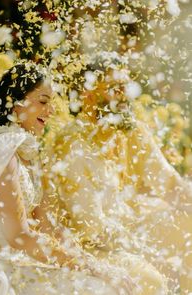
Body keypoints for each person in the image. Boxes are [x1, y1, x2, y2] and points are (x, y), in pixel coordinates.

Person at [0, 63, 145, 295]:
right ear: (15, 102)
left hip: (25, 260)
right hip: (0, 267)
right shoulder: (2, 147)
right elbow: (18, 236)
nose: (51, 111)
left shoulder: (29, 151)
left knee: (112, 279)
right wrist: (89, 267)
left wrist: (92, 262)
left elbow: (46, 225)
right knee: (101, 288)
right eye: (43, 102)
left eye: (51, 103)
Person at [43, 80, 192, 294]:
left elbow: (171, 185)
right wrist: (144, 247)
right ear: (89, 94)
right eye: (114, 88)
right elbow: (89, 226)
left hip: (129, 232)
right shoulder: (71, 143)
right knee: (151, 280)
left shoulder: (132, 131)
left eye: (126, 87)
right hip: (89, 247)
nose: (124, 96)